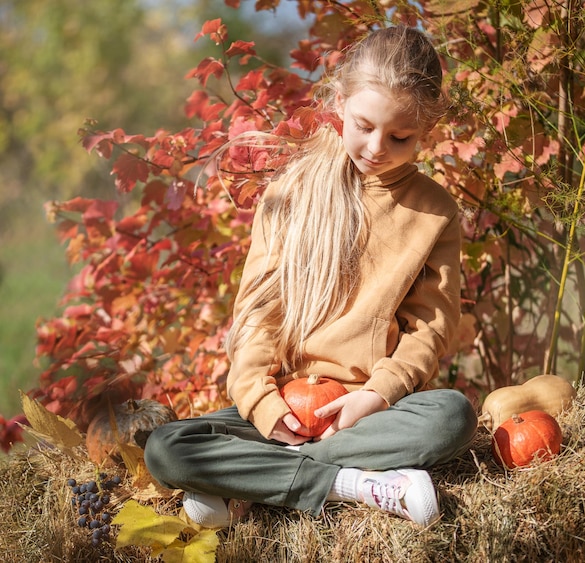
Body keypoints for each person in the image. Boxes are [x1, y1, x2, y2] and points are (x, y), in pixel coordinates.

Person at [145, 25, 477, 529]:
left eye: (400, 137)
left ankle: (247, 487)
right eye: (364, 125)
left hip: (367, 416)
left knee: (453, 416)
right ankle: (350, 484)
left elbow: (428, 327)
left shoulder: (434, 211)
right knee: (167, 448)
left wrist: (374, 396)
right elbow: (258, 313)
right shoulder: (293, 191)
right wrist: (263, 405)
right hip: (285, 408)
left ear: (426, 130)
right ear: (340, 101)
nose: (375, 146)